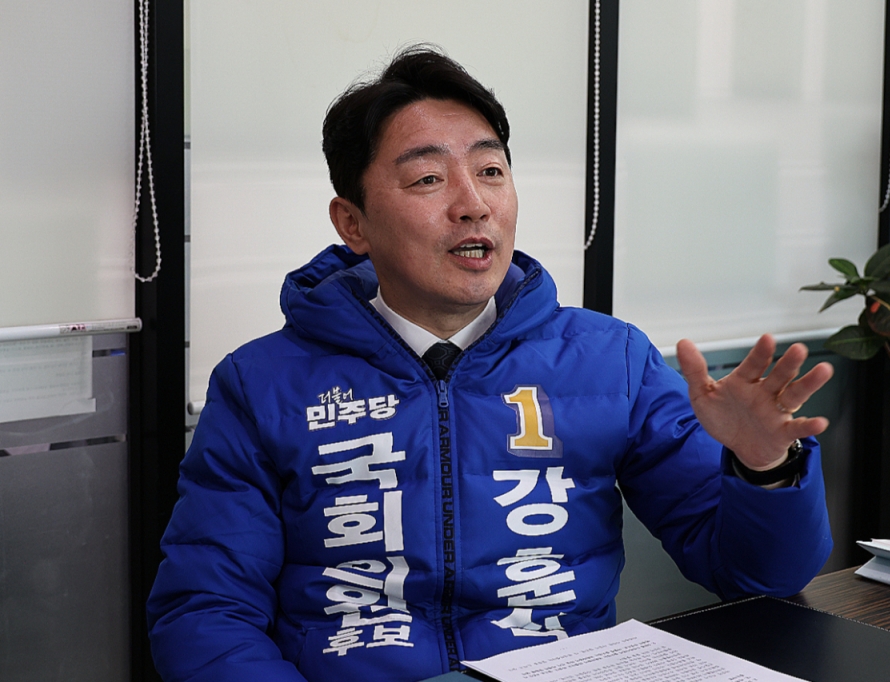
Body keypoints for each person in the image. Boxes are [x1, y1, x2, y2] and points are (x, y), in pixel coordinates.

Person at [147, 46, 834, 682]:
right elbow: (205, 615)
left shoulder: (611, 361)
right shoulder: (261, 384)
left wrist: (763, 469)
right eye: (427, 178)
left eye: (491, 172)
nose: (473, 205)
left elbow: (758, 577)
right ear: (353, 223)